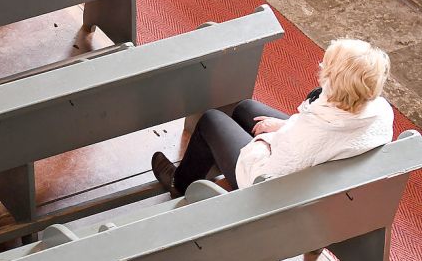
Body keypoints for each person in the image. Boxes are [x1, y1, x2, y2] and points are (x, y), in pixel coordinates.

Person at [152, 38, 394, 196]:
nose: (320, 67)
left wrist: (266, 141)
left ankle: (180, 185)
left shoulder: (306, 135)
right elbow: (323, 138)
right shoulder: (379, 111)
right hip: (320, 164)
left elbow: (263, 175)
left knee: (211, 121)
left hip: (267, 188)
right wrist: (286, 126)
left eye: (326, 66)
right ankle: (213, 157)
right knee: (245, 109)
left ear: (334, 80)